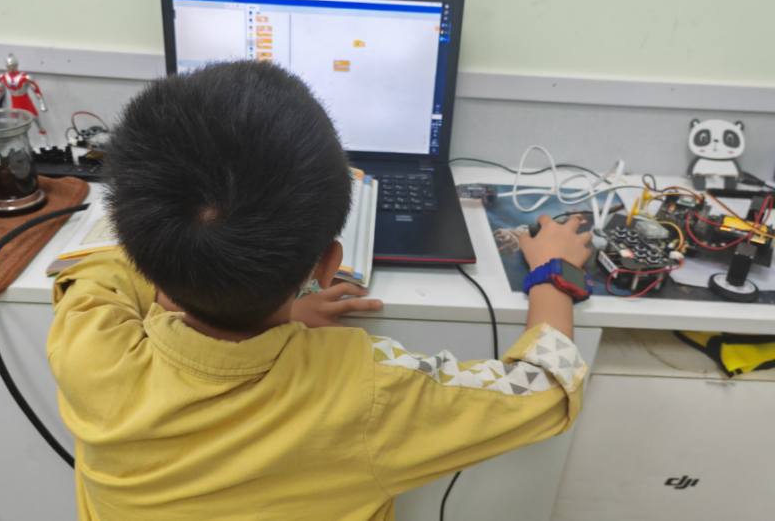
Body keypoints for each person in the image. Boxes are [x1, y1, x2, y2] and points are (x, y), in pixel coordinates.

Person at [48, 61, 592, 521]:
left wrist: (254, 302)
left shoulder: (88, 344)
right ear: (328, 266)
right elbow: (546, 389)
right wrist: (555, 271)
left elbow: (104, 266)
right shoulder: (367, 391)